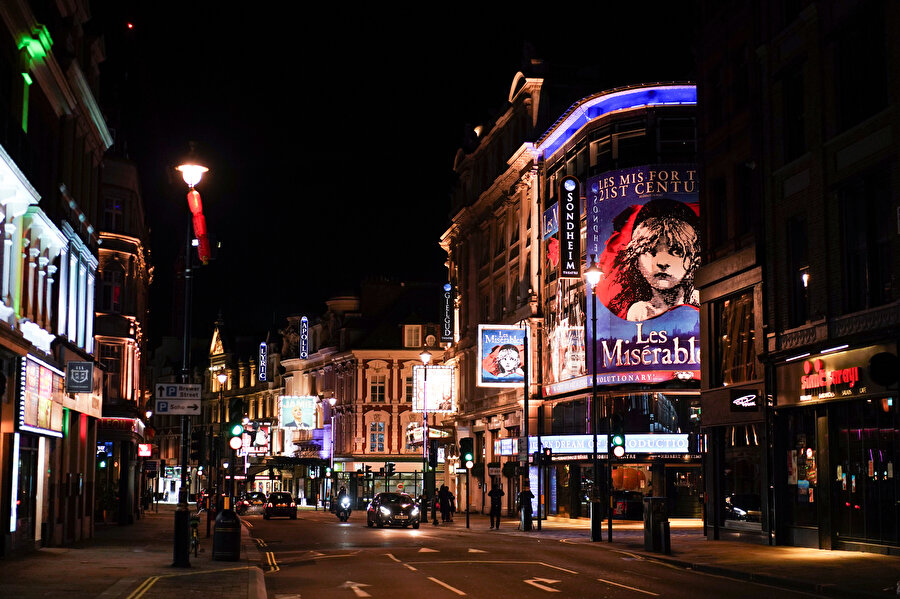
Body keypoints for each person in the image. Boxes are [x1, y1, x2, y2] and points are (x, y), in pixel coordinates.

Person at [606, 198, 700, 321]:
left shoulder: (700, 302)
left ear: (692, 259)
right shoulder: (639, 312)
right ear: (636, 260)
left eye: (676, 251)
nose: (662, 263)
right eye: (650, 251)